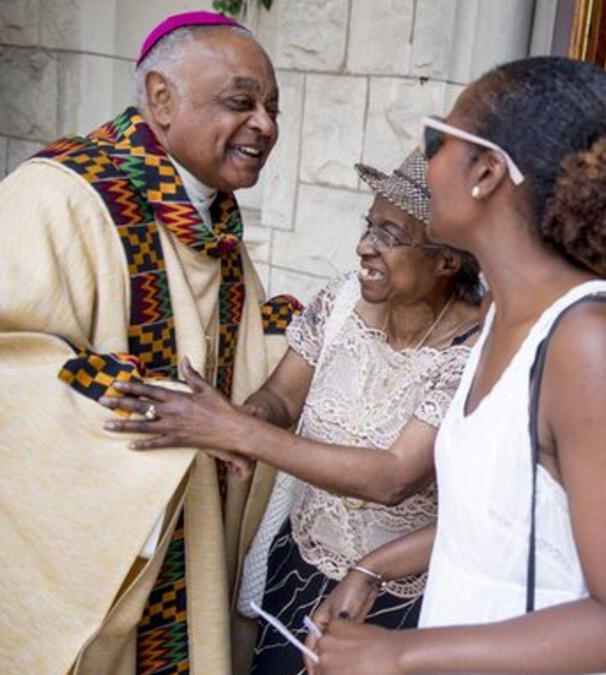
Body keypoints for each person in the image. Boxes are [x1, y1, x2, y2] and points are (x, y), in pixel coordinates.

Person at [309, 56, 606, 674]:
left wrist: (402, 654)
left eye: (437, 140)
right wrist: (374, 567)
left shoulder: (593, 339)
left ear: (485, 172)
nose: (424, 162)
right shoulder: (502, 317)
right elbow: (504, 525)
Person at [0, 12, 283, 674]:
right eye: (241, 102)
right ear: (160, 99)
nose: (265, 125)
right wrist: (163, 413)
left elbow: (234, 360)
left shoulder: (210, 218)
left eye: (273, 107)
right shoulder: (56, 197)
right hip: (102, 546)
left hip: (189, 545)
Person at [100, 150, 484, 672]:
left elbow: (395, 477)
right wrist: (242, 426)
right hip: (301, 567)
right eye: (369, 226)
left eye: (390, 236)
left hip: (402, 602)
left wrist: (241, 432)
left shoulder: (476, 353)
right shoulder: (344, 301)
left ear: (448, 259)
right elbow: (280, 399)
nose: (364, 246)